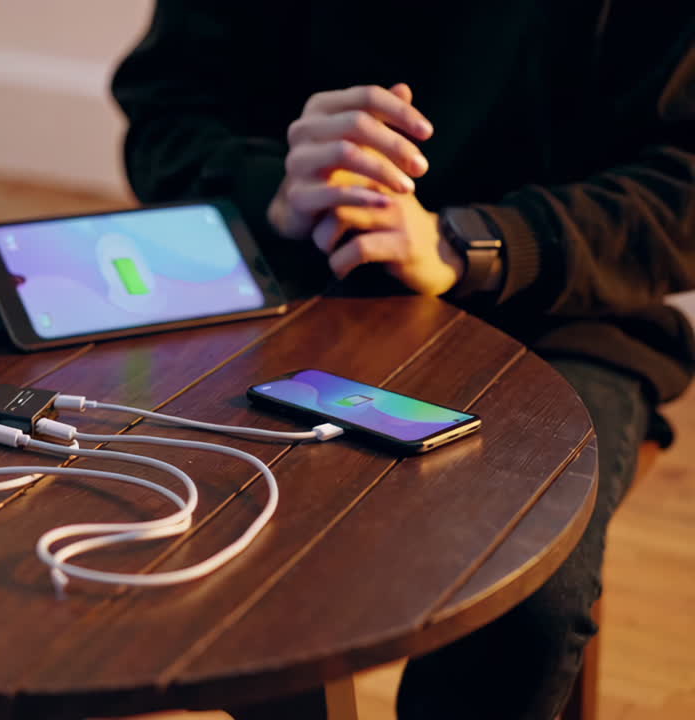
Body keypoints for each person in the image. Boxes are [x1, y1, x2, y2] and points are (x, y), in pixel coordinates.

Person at [112, 2, 695, 718]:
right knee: (232, 551)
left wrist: (471, 243)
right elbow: (164, 117)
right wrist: (275, 191)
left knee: (516, 605)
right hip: (296, 286)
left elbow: (683, 188)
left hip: (560, 311)